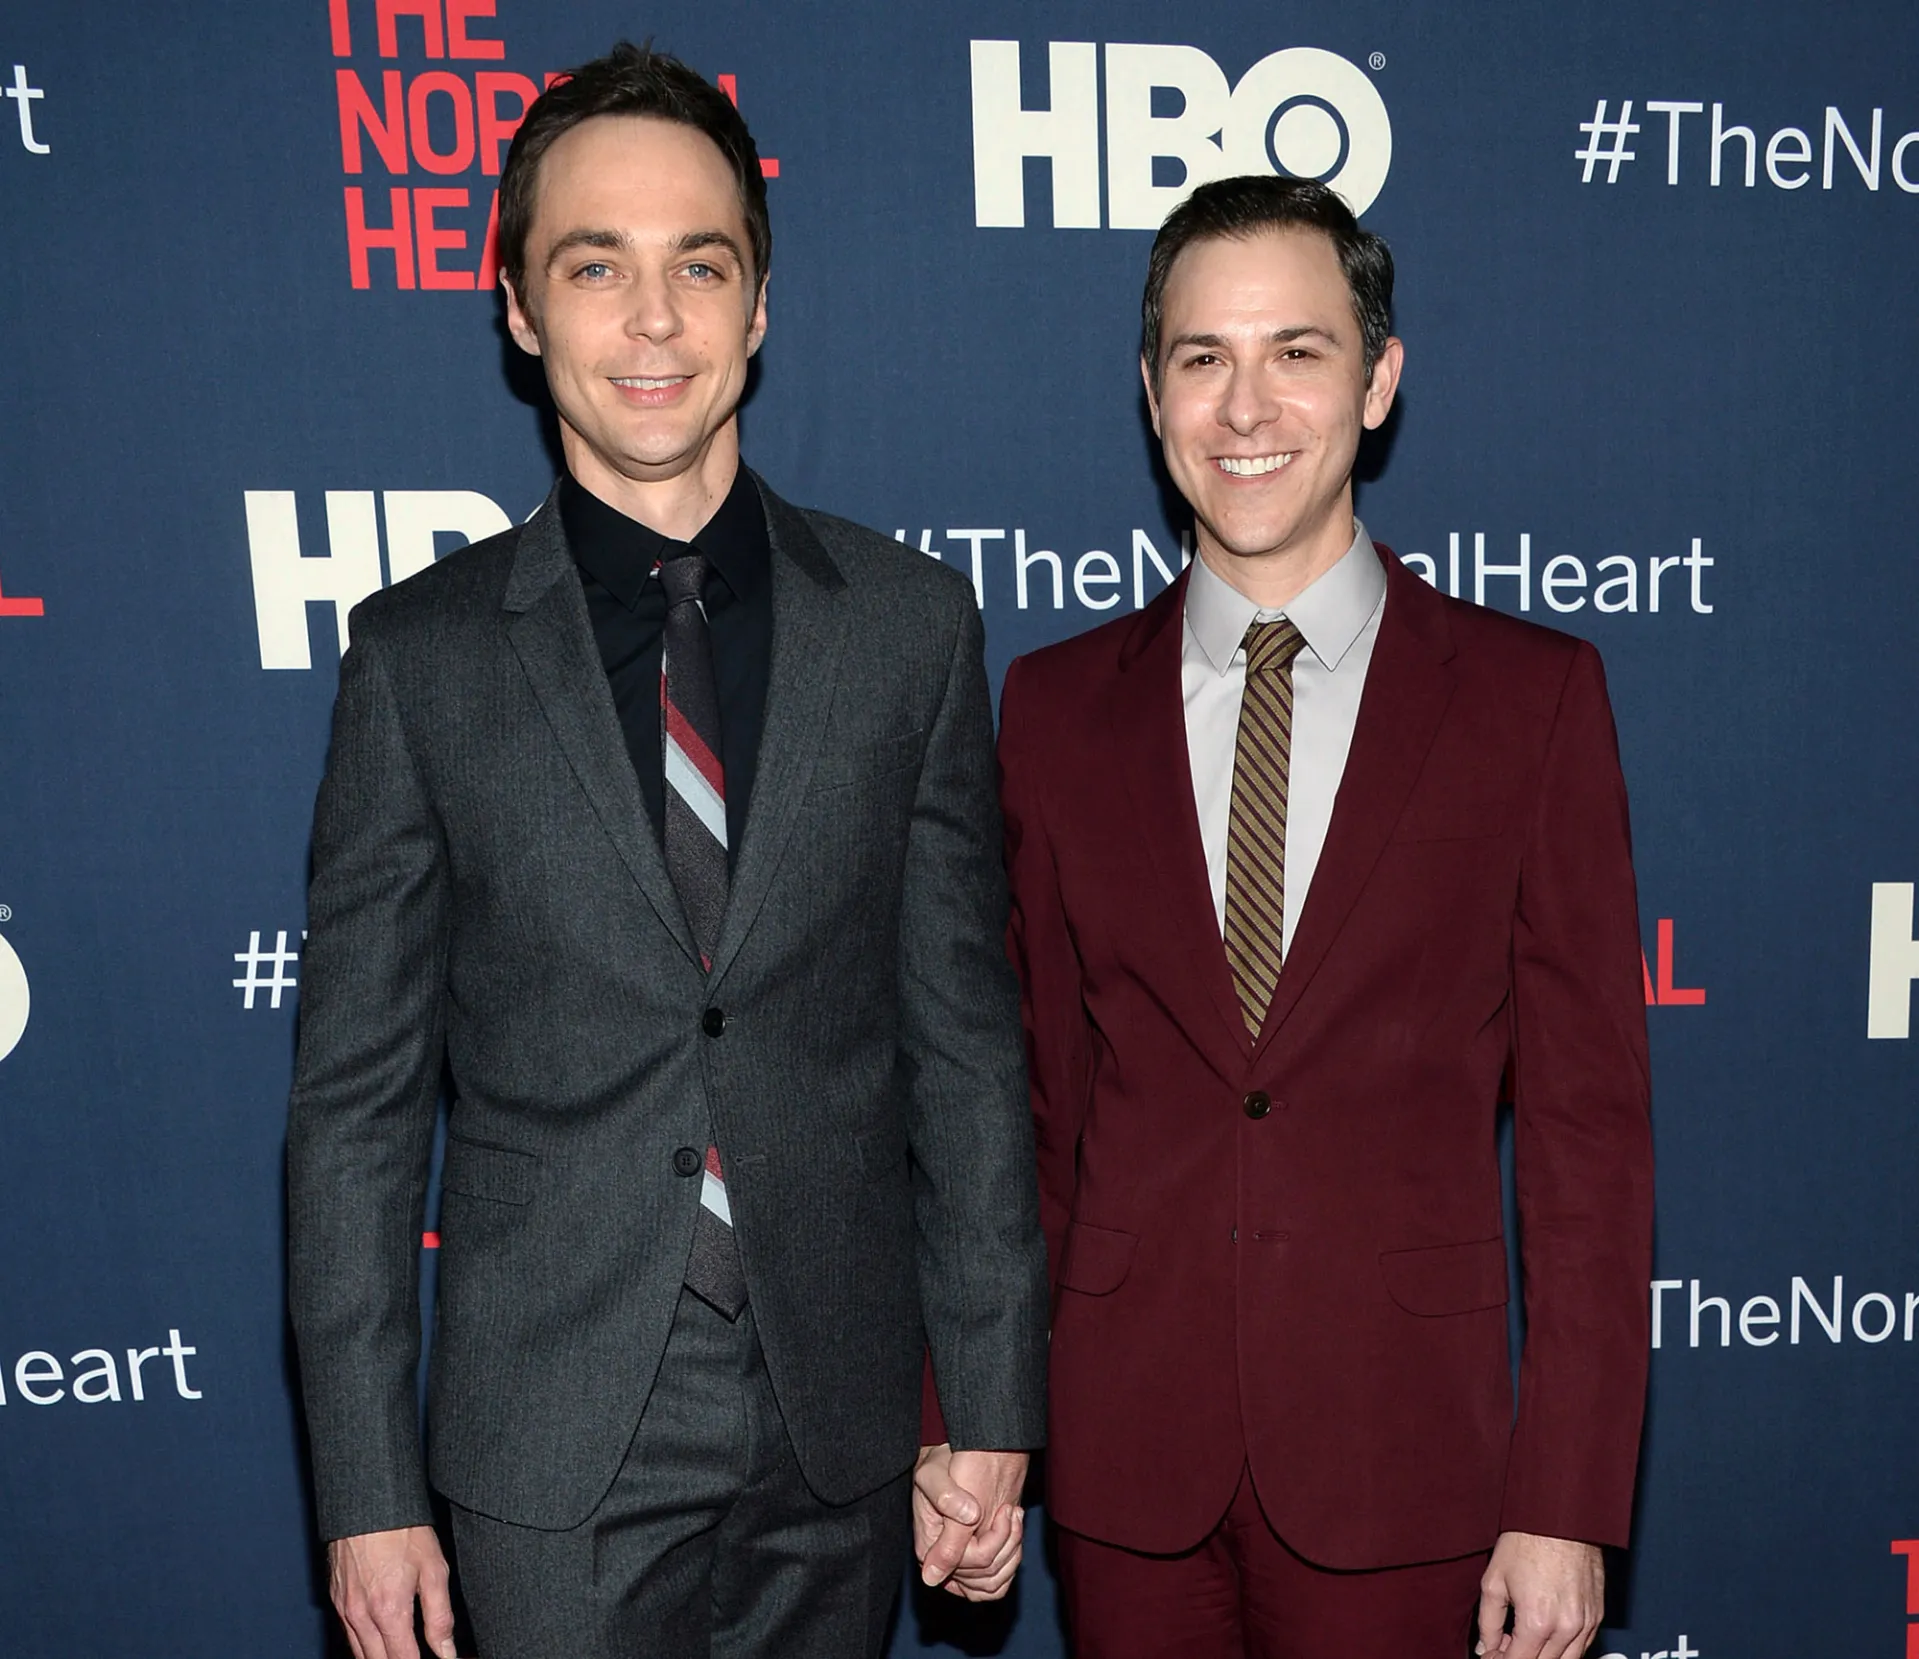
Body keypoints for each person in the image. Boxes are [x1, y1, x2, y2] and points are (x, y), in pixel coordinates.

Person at [286, 43, 1046, 1659]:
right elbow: (355, 1112)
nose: (652, 320)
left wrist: (986, 1400)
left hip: (839, 1420)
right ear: (517, 307)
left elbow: (967, 1052)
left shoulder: (906, 629)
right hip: (546, 1433)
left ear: (757, 306)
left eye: (698, 265)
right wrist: (363, 1488)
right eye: (594, 266)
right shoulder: (418, 660)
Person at [996, 174, 1654, 1659]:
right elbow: (1031, 1116)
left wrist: (1564, 1500)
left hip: (1405, 1458)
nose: (1246, 407)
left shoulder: (1529, 702)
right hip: (1125, 1458)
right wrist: (970, 1414)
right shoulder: (1051, 711)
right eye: (1203, 357)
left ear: (1377, 379)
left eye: (1296, 351)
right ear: (1151, 390)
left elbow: (1589, 1146)